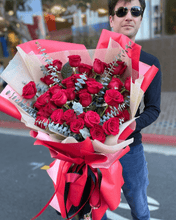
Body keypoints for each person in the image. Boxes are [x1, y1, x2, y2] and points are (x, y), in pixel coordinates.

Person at [101, 0, 161, 220]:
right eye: (121, 11)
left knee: (139, 207)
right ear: (111, 19)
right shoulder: (95, 57)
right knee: (95, 210)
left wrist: (131, 125)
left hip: (130, 149)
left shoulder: (150, 62)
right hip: (94, 149)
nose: (128, 16)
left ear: (141, 19)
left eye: (135, 11)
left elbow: (153, 108)